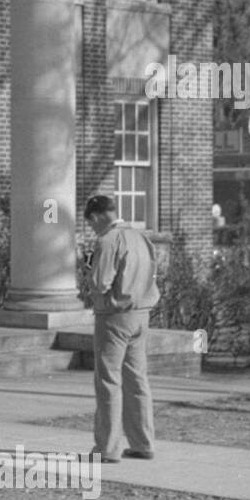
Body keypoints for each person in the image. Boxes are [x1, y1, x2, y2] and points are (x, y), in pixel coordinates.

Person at [83, 195, 160, 462]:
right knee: (137, 379)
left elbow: (100, 283)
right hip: (142, 314)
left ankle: (108, 448)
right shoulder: (142, 238)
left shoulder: (107, 240)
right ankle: (143, 442)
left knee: (108, 381)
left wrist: (88, 270)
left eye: (91, 224)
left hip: (114, 316)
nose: (93, 228)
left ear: (95, 217)